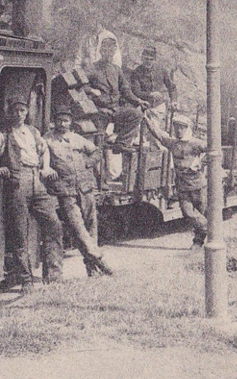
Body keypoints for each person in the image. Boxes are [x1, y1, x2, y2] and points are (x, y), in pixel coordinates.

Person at [0, 98, 64, 289]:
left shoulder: (33, 132)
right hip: (18, 182)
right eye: (15, 110)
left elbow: (44, 150)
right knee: (20, 233)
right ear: (10, 113)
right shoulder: (3, 135)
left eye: (22, 110)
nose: (19, 114)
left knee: (54, 224)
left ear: (26, 113)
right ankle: (26, 280)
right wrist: (0, 168)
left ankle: (53, 276)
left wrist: (47, 167)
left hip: (37, 179)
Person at [44, 107, 114, 277]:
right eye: (59, 120)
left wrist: (88, 163)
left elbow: (97, 152)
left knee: (91, 225)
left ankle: (92, 269)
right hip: (65, 190)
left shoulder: (78, 139)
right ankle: (99, 259)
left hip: (85, 187)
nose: (62, 124)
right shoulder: (48, 140)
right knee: (78, 228)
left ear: (70, 122)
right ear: (54, 122)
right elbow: (42, 158)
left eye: (66, 120)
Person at [143, 112, 208, 247]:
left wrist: (201, 163)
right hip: (183, 185)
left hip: (198, 185)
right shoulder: (173, 143)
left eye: (181, 127)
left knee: (202, 212)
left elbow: (214, 151)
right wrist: (146, 120)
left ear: (186, 128)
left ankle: (198, 241)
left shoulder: (196, 143)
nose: (178, 130)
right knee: (188, 213)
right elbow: (159, 134)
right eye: (176, 127)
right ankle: (207, 228)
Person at [85, 37, 149, 147]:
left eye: (111, 52)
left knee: (136, 114)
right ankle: (98, 152)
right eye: (106, 51)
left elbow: (125, 90)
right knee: (98, 142)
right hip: (98, 110)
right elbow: (81, 85)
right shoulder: (92, 68)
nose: (109, 54)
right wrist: (91, 90)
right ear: (101, 51)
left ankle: (121, 143)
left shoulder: (116, 69)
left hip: (115, 109)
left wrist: (138, 101)